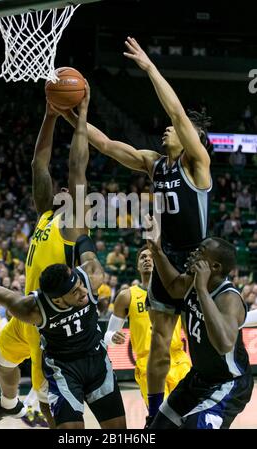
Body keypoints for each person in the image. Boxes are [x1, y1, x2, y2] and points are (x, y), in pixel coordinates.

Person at [60, 36, 212, 423]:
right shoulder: (154, 163)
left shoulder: (197, 164)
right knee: (159, 346)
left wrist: (149, 68)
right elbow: (109, 145)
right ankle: (154, 414)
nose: (166, 129)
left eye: (175, 129)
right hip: (165, 259)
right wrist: (69, 114)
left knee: (202, 348)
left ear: (191, 136)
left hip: (197, 260)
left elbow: (177, 112)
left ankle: (205, 406)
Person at [0, 82, 91, 428]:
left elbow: (77, 167)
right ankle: (9, 404)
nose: (59, 188)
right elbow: (38, 164)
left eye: (65, 190)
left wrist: (82, 116)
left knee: (47, 407)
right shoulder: (45, 214)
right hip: (26, 312)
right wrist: (49, 115)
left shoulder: (73, 223)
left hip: (48, 322)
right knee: (2, 362)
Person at [0, 235, 126, 429]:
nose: (84, 293)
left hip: (97, 363)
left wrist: (78, 236)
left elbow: (84, 243)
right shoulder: (33, 309)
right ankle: (9, 403)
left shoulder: (91, 278)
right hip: (64, 372)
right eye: (75, 292)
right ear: (57, 300)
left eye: (80, 285)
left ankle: (9, 404)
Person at [145, 215, 253, 429]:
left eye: (200, 252)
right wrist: (157, 250)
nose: (193, 254)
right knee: (158, 428)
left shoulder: (228, 298)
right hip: (199, 378)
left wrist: (202, 290)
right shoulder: (190, 282)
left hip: (228, 383)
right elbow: (173, 286)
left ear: (213, 266)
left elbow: (224, 344)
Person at [104, 245, 190, 407]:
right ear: (137, 265)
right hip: (148, 362)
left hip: (179, 359)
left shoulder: (175, 291)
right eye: (143, 257)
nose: (147, 259)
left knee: (188, 415)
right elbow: (108, 336)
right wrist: (114, 337)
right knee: (161, 417)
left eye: (151, 257)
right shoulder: (127, 296)